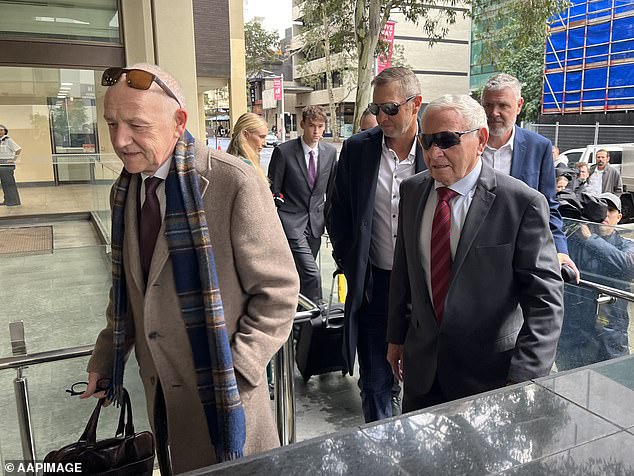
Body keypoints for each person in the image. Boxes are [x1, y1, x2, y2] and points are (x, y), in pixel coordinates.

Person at [81, 63, 299, 475]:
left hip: (224, 400)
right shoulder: (125, 189)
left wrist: (238, 368)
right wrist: (107, 355)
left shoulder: (233, 184)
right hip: (162, 396)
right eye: (112, 124)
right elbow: (128, 289)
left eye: (136, 125)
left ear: (178, 121)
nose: (120, 140)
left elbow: (280, 292)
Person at [386, 94, 564, 412]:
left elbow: (545, 304)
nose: (433, 153)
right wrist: (396, 336)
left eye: (446, 140)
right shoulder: (412, 191)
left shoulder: (521, 204)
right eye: (426, 142)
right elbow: (404, 271)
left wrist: (522, 380)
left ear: (480, 139)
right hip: (422, 374)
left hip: (489, 382)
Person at [328, 67, 426, 423]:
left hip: (424, 291)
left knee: (421, 383)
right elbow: (336, 211)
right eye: (377, 107)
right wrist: (351, 259)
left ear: (415, 105)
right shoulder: (358, 150)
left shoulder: (437, 147)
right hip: (373, 286)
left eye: (391, 108)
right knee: (374, 383)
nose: (381, 117)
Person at [481, 73, 579, 280]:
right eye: (488, 105)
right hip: (472, 256)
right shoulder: (467, 143)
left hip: (520, 257)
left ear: (519, 105)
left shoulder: (539, 147)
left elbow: (548, 206)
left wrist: (560, 250)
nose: (494, 113)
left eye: (503, 106)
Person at [268, 105, 337, 304]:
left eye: (320, 126)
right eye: (311, 126)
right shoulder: (284, 152)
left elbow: (331, 193)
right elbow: (274, 190)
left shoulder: (330, 153)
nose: (316, 131)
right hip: (291, 222)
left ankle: (298, 323)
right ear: (302, 125)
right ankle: (316, 319)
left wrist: (330, 227)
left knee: (300, 276)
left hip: (315, 223)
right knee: (312, 274)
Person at [557, 193, 634, 370]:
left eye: (611, 211)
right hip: (576, 333)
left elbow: (626, 266)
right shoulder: (576, 242)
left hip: (610, 333)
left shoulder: (626, 245)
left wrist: (590, 239)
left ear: (619, 217)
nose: (605, 216)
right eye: (602, 211)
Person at [227, 112, 268, 183]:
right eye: (261, 137)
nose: (264, 143)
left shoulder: (230, 161)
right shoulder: (244, 166)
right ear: (245, 134)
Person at [0, 124, 22, 206]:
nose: (0, 132)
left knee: (9, 183)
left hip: (6, 165)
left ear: (5, 131)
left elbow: (18, 149)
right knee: (4, 183)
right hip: (0, 164)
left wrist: (13, 159)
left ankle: (14, 201)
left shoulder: (8, 140)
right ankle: (7, 200)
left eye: (1, 130)